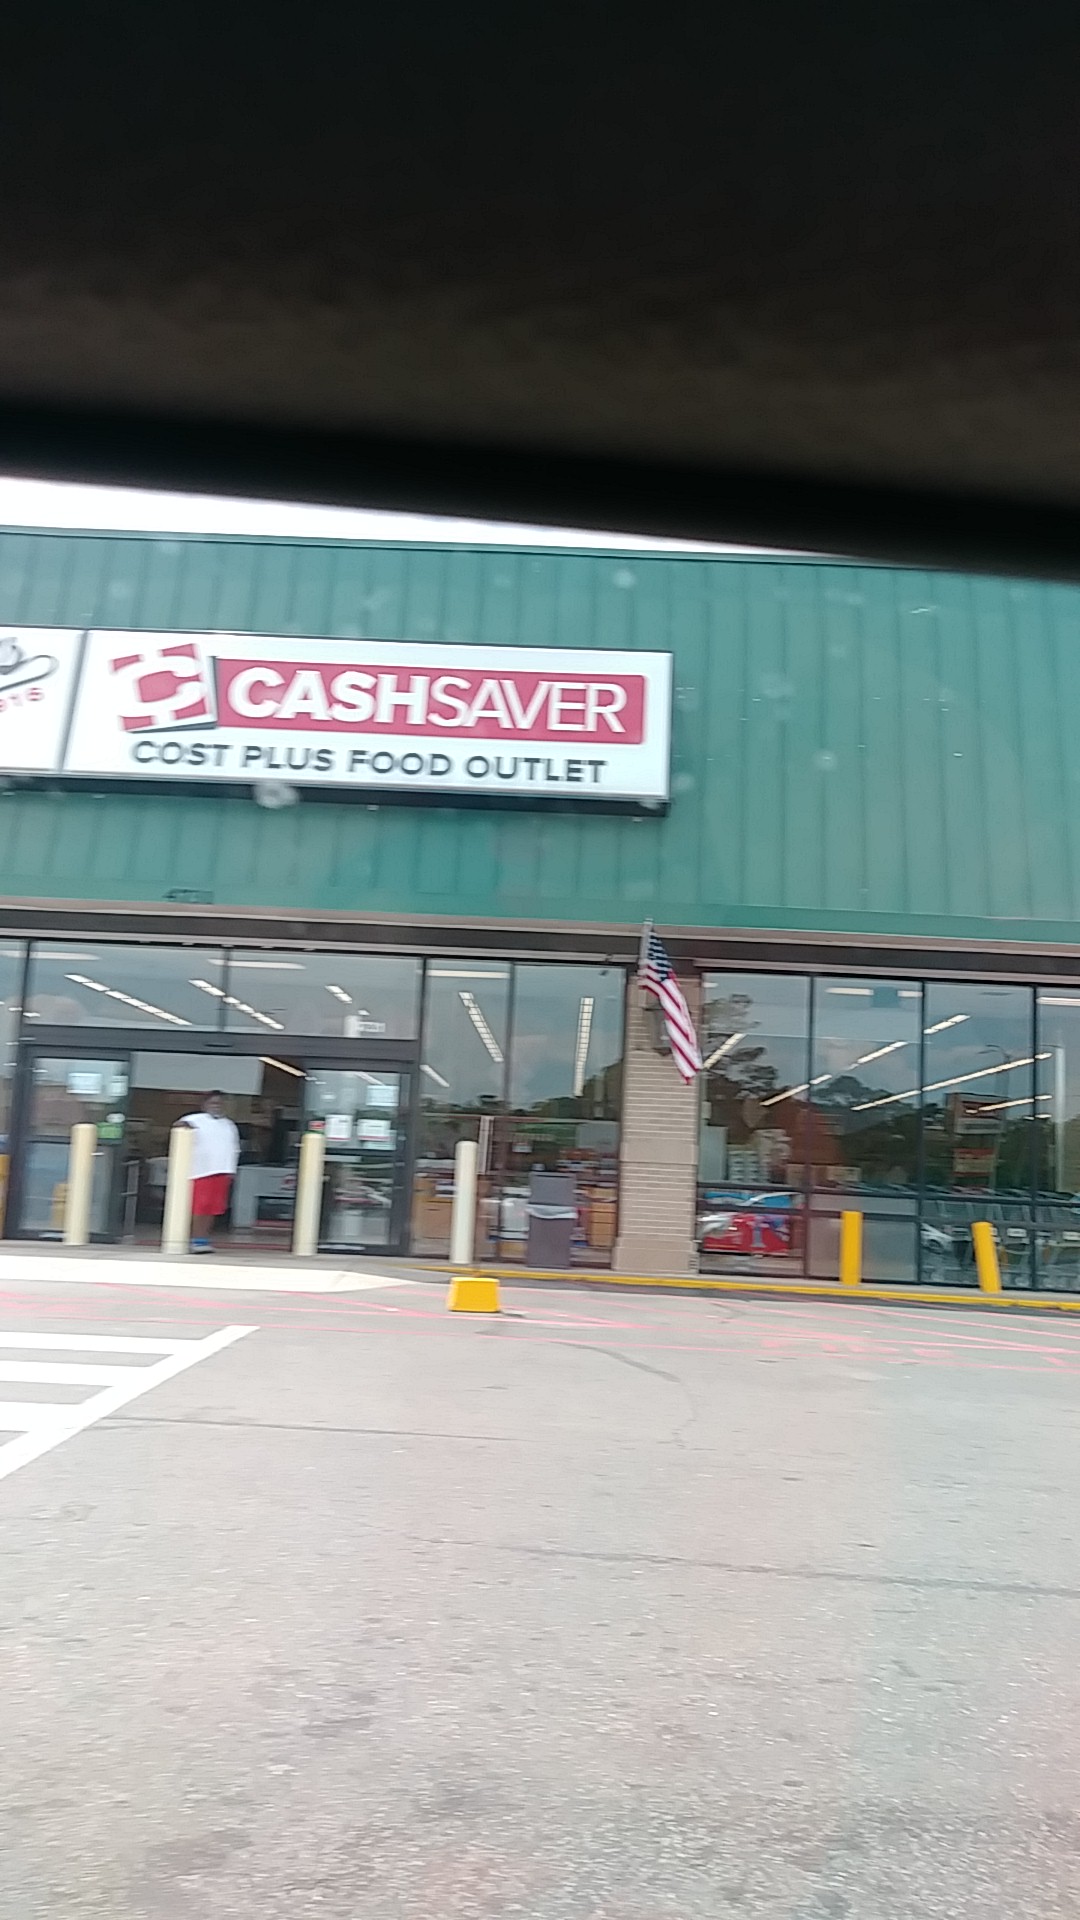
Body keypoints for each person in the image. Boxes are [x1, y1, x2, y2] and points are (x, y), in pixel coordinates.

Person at [179, 1091, 240, 1253]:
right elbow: (179, 1126)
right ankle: (194, 1240)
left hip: (223, 1171)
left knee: (213, 1209)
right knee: (200, 1207)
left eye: (220, 1103)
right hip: (200, 1171)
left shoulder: (229, 1124)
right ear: (204, 1104)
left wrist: (231, 1170)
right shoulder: (194, 1119)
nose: (217, 1106)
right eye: (213, 1103)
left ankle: (202, 1239)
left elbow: (234, 1148)